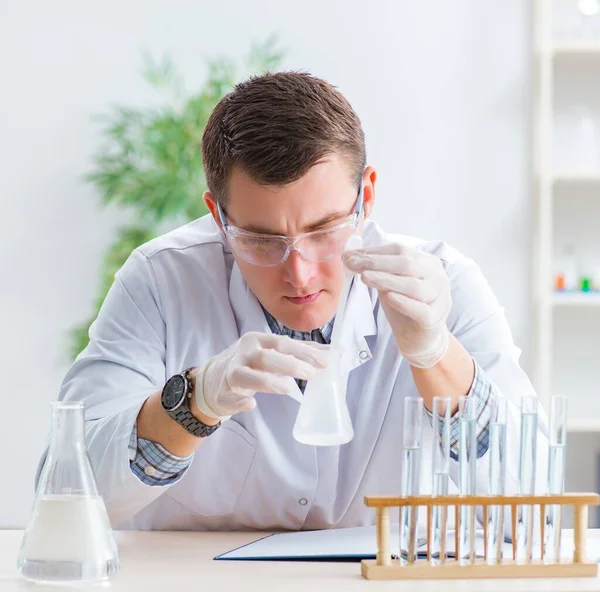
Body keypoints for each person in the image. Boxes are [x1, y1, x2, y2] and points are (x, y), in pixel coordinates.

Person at [40, 72, 548, 531]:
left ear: (366, 197)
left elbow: (537, 509)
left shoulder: (444, 283)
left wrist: (436, 355)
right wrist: (193, 403)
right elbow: (64, 497)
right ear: (218, 217)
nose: (298, 270)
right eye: (260, 239)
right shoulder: (159, 281)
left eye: (324, 229)